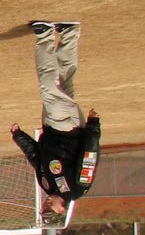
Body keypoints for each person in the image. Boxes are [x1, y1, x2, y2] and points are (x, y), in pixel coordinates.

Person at [11, 21, 101, 222]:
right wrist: (93, 127)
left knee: (63, 78)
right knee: (48, 88)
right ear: (62, 210)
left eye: (44, 209)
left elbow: (36, 158)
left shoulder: (46, 185)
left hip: (51, 126)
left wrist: (19, 137)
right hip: (67, 126)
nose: (46, 205)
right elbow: (89, 158)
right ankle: (44, 36)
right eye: (50, 209)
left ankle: (70, 33)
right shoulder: (77, 189)